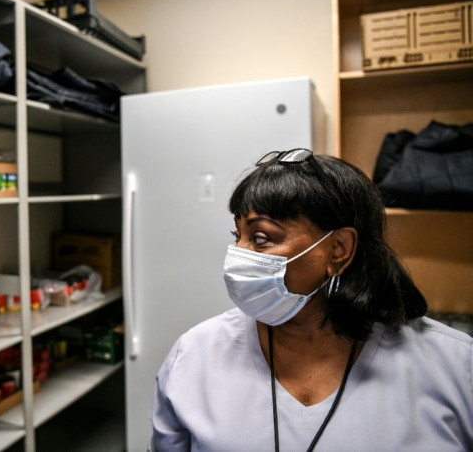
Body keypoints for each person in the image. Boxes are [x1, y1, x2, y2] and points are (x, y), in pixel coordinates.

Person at [150, 149, 473, 451]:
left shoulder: (455, 367)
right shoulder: (194, 354)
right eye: (238, 236)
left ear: (338, 250)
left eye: (261, 238)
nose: (237, 255)